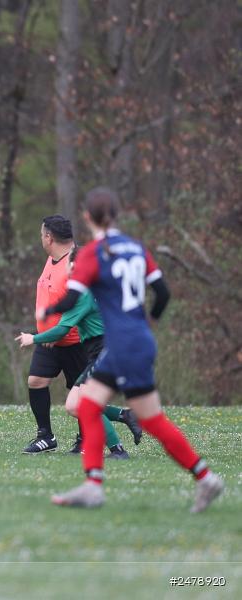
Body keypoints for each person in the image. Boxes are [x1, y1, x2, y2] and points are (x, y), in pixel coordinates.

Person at [39, 187, 224, 512]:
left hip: (121, 345)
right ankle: (201, 479)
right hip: (138, 342)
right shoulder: (137, 248)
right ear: (117, 215)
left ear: (87, 217)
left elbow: (72, 298)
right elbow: (163, 293)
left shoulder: (94, 253)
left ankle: (201, 477)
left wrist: (47, 311)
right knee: (99, 408)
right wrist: (149, 321)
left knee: (105, 409)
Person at [16, 246, 143, 459]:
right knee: (74, 405)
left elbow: (62, 329)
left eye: (68, 262)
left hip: (106, 351)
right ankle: (126, 416)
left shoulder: (83, 294)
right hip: (102, 351)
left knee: (86, 404)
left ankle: (118, 450)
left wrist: (33, 338)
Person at [23, 215, 89, 454]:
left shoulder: (76, 263)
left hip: (75, 341)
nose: (41, 239)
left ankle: (86, 439)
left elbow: (79, 306)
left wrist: (56, 332)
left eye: (42, 235)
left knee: (80, 394)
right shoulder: (52, 259)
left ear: (49, 237)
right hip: (48, 340)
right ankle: (46, 436)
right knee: (36, 381)